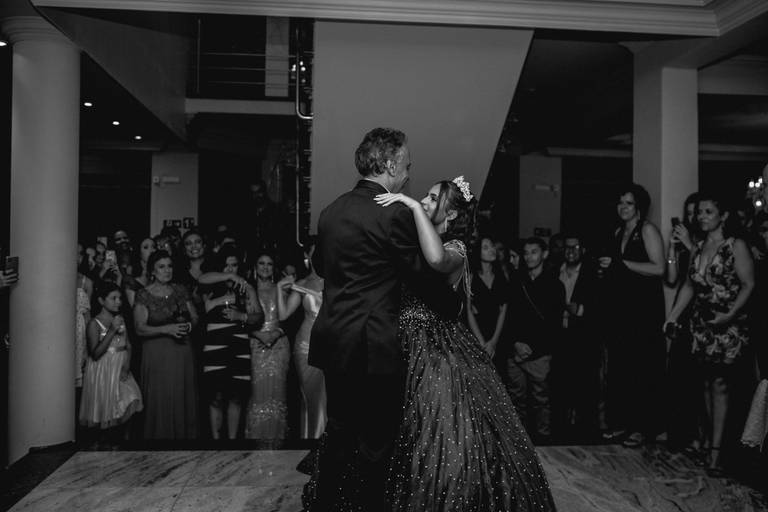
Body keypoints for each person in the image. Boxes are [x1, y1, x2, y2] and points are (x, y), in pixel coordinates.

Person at [300, 128, 461, 512]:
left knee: (340, 432)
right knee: (377, 444)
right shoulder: (393, 213)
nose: (408, 172)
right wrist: (452, 307)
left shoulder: (332, 210)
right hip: (373, 344)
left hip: (335, 339)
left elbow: (320, 265)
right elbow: (421, 277)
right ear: (389, 164)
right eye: (406, 164)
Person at [374, 177, 556, 511]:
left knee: (437, 427)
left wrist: (411, 205)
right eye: (424, 197)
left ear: (453, 214)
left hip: (435, 347)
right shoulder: (415, 239)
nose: (424, 200)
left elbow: (435, 261)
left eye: (432, 199)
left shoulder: (456, 248)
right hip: (400, 341)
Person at [666, 193, 755, 476]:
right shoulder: (700, 246)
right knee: (705, 383)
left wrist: (730, 315)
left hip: (727, 325)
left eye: (708, 212)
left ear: (723, 215)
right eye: (699, 212)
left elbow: (749, 284)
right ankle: (709, 446)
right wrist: (673, 315)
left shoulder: (735, 245)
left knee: (720, 385)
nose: (701, 217)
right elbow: (690, 285)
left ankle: (717, 454)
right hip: (702, 324)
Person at [599, 183, 665, 448]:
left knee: (642, 369)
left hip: (644, 311)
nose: (623, 207)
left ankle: (642, 428)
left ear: (639, 206)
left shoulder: (647, 230)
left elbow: (658, 268)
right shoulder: (618, 231)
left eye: (628, 203)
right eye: (620, 202)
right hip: (621, 311)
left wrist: (620, 264)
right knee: (621, 370)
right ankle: (623, 424)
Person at [133, 250, 199, 439]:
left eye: (169, 266)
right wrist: (167, 329)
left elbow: (195, 318)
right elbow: (139, 328)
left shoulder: (180, 290)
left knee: (181, 395)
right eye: (161, 267)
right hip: (157, 354)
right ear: (152, 271)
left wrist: (188, 326)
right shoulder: (143, 294)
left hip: (182, 351)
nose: (167, 270)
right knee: (160, 398)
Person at [198, 245, 263, 439]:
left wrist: (241, 316)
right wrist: (229, 277)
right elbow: (201, 278)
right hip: (215, 345)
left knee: (236, 396)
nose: (230, 269)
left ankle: (232, 444)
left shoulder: (247, 288)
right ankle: (216, 442)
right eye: (226, 265)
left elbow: (259, 317)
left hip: (238, 345)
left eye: (233, 266)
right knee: (215, 396)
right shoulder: (211, 284)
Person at [505, 237, 565, 442]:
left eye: (534, 252)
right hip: (516, 352)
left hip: (539, 354)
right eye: (526, 252)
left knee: (541, 401)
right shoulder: (517, 281)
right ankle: (518, 444)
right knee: (515, 401)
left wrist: (531, 349)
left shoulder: (555, 285)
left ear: (544, 254)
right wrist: (515, 344)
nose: (529, 256)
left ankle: (544, 444)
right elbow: (509, 318)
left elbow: (553, 326)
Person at [277, 239, 326, 439]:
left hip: (332, 346)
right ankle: (311, 441)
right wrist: (279, 289)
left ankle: (328, 444)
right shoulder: (302, 284)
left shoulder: (337, 281)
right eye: (315, 251)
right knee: (311, 396)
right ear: (307, 256)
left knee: (330, 397)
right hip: (306, 346)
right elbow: (283, 314)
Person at [553, 234, 600, 440]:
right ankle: (561, 434)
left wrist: (581, 310)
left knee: (585, 387)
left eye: (575, 247)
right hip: (560, 337)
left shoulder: (592, 273)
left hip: (583, 339)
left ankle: (585, 434)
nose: (571, 251)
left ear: (583, 250)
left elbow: (603, 304)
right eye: (567, 247)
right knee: (561, 386)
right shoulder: (555, 271)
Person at [79, 282, 142, 433]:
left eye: (120, 298)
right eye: (113, 298)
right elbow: (96, 353)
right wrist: (112, 330)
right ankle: (106, 441)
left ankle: (122, 440)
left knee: (130, 399)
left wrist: (127, 366)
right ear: (101, 300)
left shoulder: (121, 319)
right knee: (108, 408)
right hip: (104, 370)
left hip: (121, 369)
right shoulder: (94, 323)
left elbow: (129, 345)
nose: (118, 302)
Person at [244, 253, 290, 442]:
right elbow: (243, 320)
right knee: (257, 393)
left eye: (269, 264)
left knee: (278, 392)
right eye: (261, 263)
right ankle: (255, 439)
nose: (265, 267)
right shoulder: (247, 289)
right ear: (255, 267)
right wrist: (259, 334)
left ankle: (277, 440)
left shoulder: (282, 289)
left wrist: (276, 333)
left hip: (279, 345)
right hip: (256, 344)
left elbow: (290, 318)